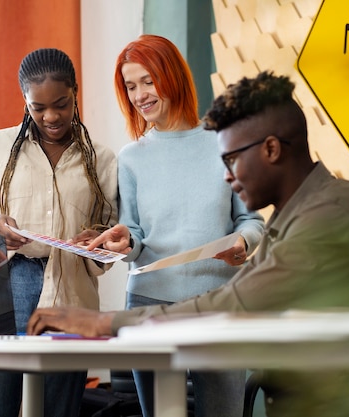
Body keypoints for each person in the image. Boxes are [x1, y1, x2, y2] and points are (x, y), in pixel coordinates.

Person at [27, 71, 349, 417]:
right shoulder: (296, 213)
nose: (226, 176)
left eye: (231, 160)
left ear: (270, 149)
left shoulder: (327, 216)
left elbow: (231, 306)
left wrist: (105, 322)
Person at [75, 34, 264, 417]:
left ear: (172, 76)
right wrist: (124, 241)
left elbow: (252, 220)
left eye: (148, 80)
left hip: (217, 304)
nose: (140, 95)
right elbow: (137, 237)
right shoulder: (131, 159)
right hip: (149, 305)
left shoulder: (225, 144)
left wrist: (244, 242)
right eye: (130, 86)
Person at [0, 48, 118, 417]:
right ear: (25, 101)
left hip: (71, 292)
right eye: (38, 107)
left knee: (58, 409)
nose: (51, 116)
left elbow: (111, 239)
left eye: (61, 104)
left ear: (76, 92)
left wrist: (95, 242)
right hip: (8, 284)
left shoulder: (103, 159)